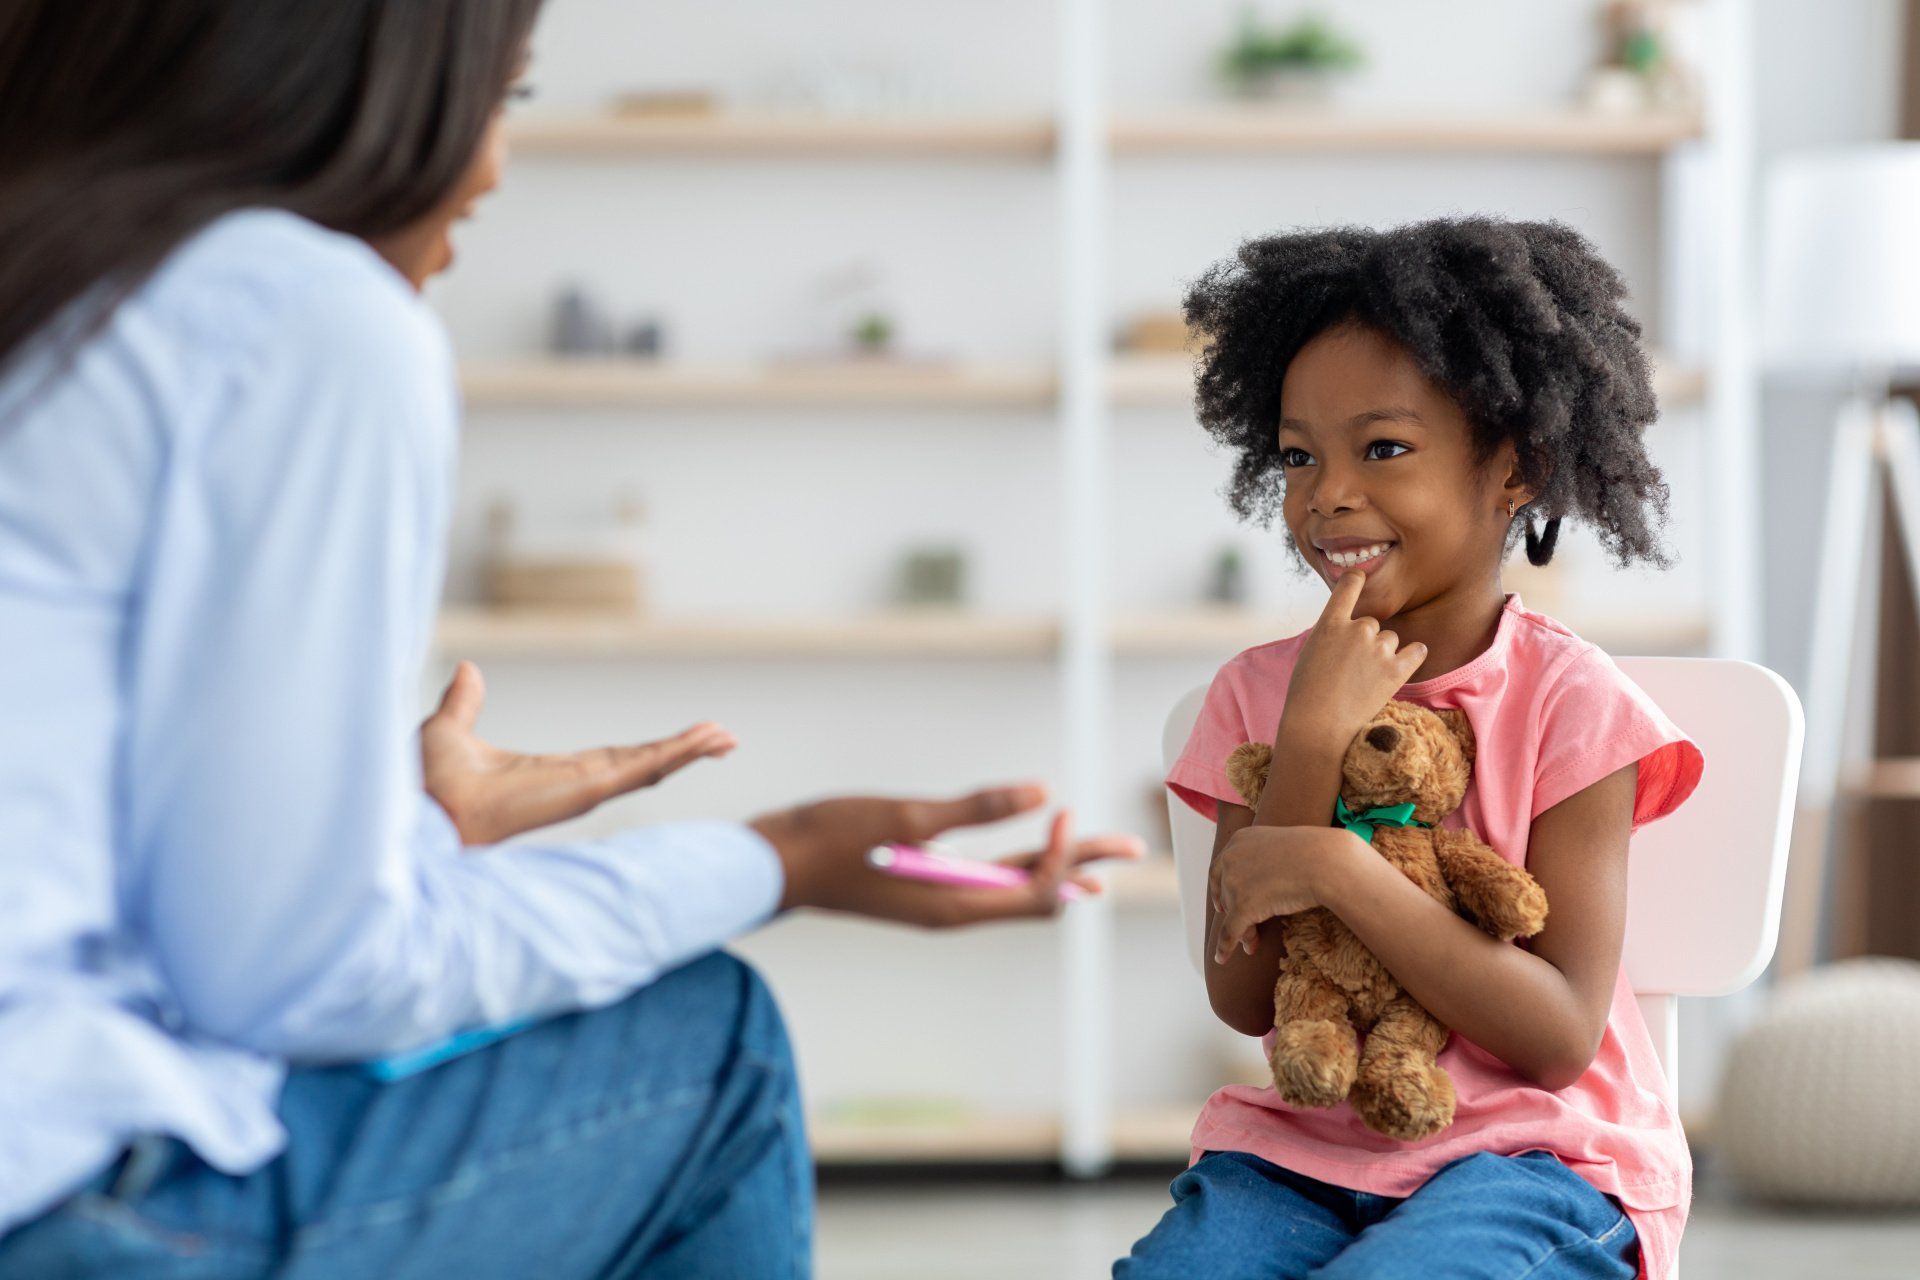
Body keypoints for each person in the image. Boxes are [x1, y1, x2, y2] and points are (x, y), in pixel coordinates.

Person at [0, 3, 1138, 1276]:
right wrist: (780, 855)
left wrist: (417, 837)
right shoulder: (291, 309)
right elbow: (293, 983)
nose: (489, 169)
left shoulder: (54, 286)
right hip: (54, 1206)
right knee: (707, 1038)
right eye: (509, 93)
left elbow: (118, 879)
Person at [1115, 218, 1706, 1280]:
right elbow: (1247, 998)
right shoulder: (1254, 693)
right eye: (1300, 454)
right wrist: (1308, 735)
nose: (1327, 492)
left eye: (1383, 447)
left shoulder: (1573, 701)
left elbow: (1561, 1031)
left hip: (1539, 1158)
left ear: (1513, 468)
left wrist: (1341, 867)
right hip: (1304, 1155)